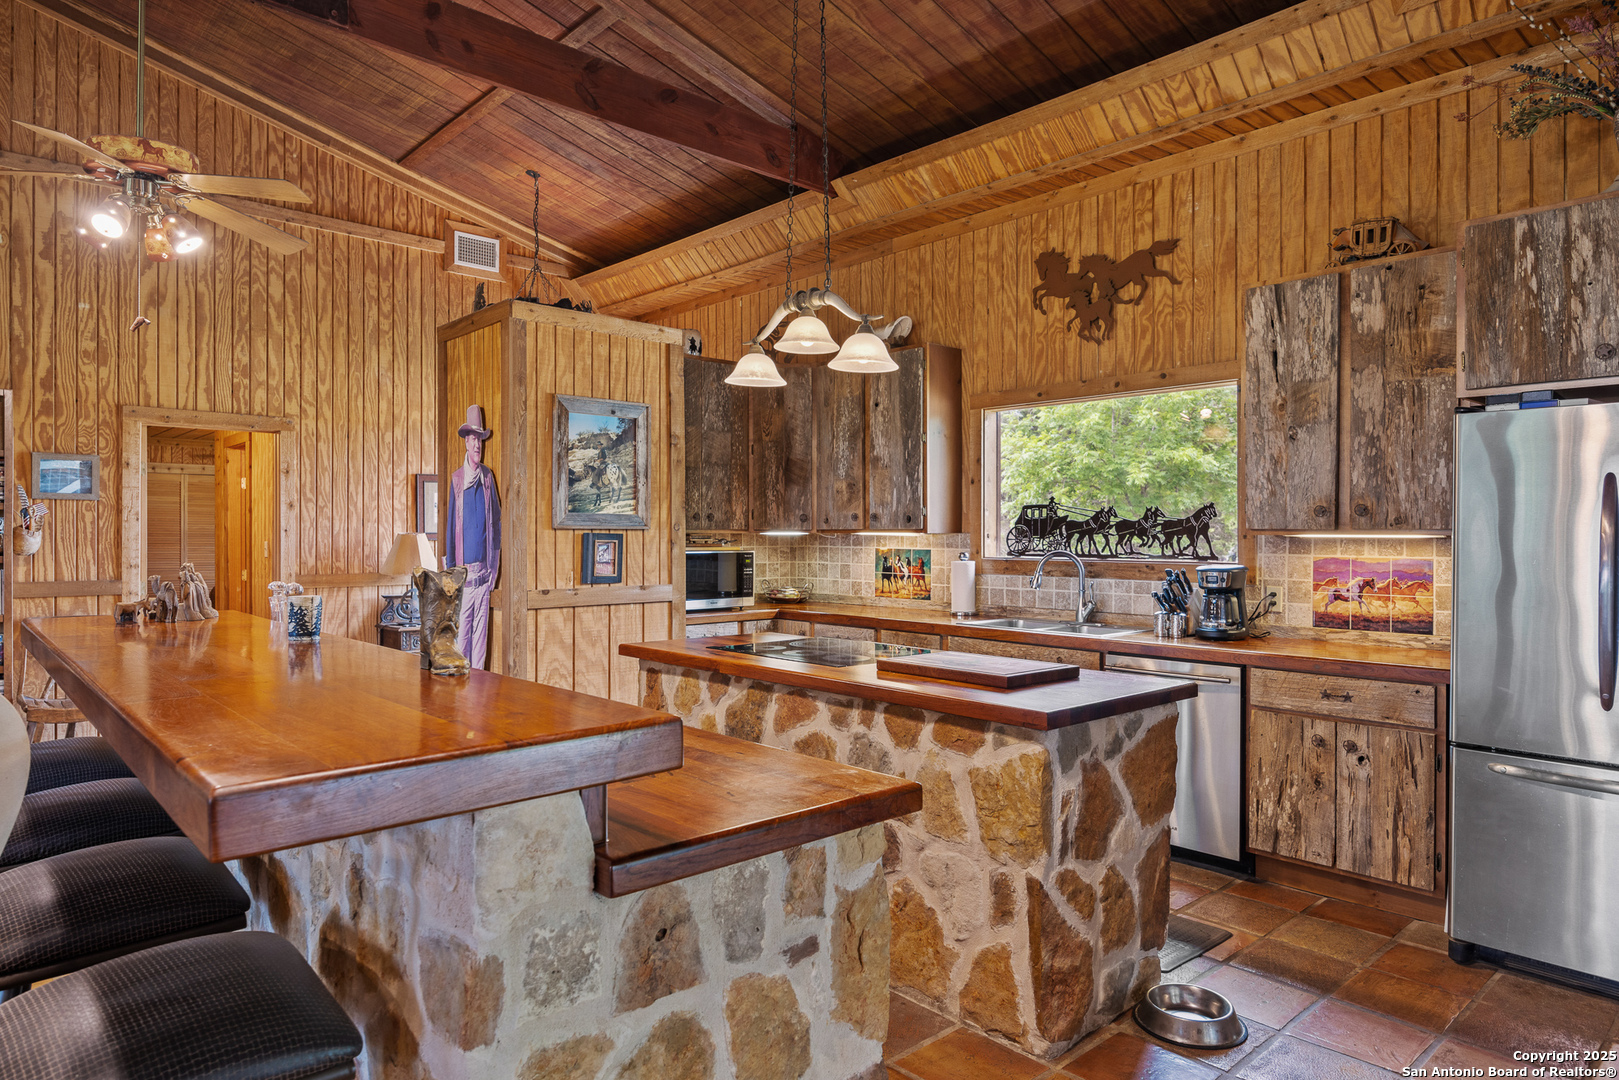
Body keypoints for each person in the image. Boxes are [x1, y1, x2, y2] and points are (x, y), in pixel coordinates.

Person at [445, 404, 501, 668]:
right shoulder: (457, 481)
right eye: (473, 440)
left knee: (480, 649)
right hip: (463, 580)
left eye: (480, 440)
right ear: (466, 443)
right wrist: (451, 578)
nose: (478, 445)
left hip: (484, 579)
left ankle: (477, 705)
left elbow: (497, 526)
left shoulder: (488, 478)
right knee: (461, 644)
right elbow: (449, 532)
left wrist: (493, 571)